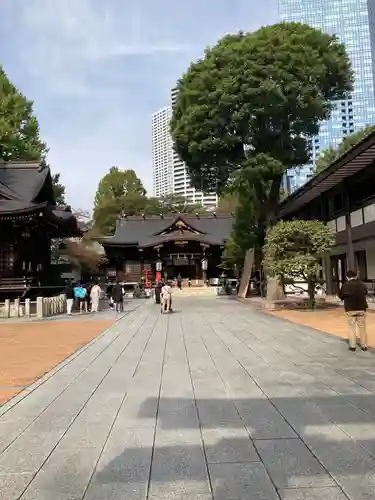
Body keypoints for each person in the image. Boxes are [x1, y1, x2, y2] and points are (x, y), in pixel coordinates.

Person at [338, 270, 368, 352]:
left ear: (347, 277)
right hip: (362, 308)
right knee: (362, 327)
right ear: (356, 276)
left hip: (350, 309)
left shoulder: (345, 285)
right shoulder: (362, 284)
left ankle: (352, 346)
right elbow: (365, 292)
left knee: (351, 327)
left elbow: (340, 295)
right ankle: (364, 345)